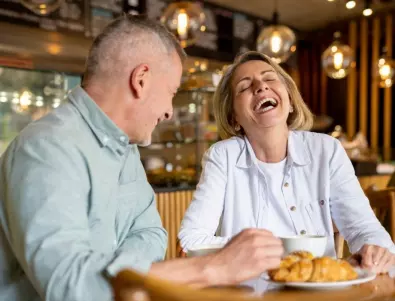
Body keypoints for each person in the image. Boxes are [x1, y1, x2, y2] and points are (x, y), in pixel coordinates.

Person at [0, 16, 284, 301]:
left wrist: (109, 272)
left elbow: (152, 234)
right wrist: (212, 268)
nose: (170, 112)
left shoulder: (125, 149)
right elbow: (72, 287)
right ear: (141, 80)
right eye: (171, 92)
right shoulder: (47, 147)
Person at [178, 51, 395, 274]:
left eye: (270, 78)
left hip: (319, 291)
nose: (261, 87)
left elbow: (363, 228)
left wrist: (375, 250)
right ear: (234, 119)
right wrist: (254, 251)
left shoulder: (326, 150)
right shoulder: (222, 156)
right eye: (244, 87)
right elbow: (190, 240)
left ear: (290, 100)